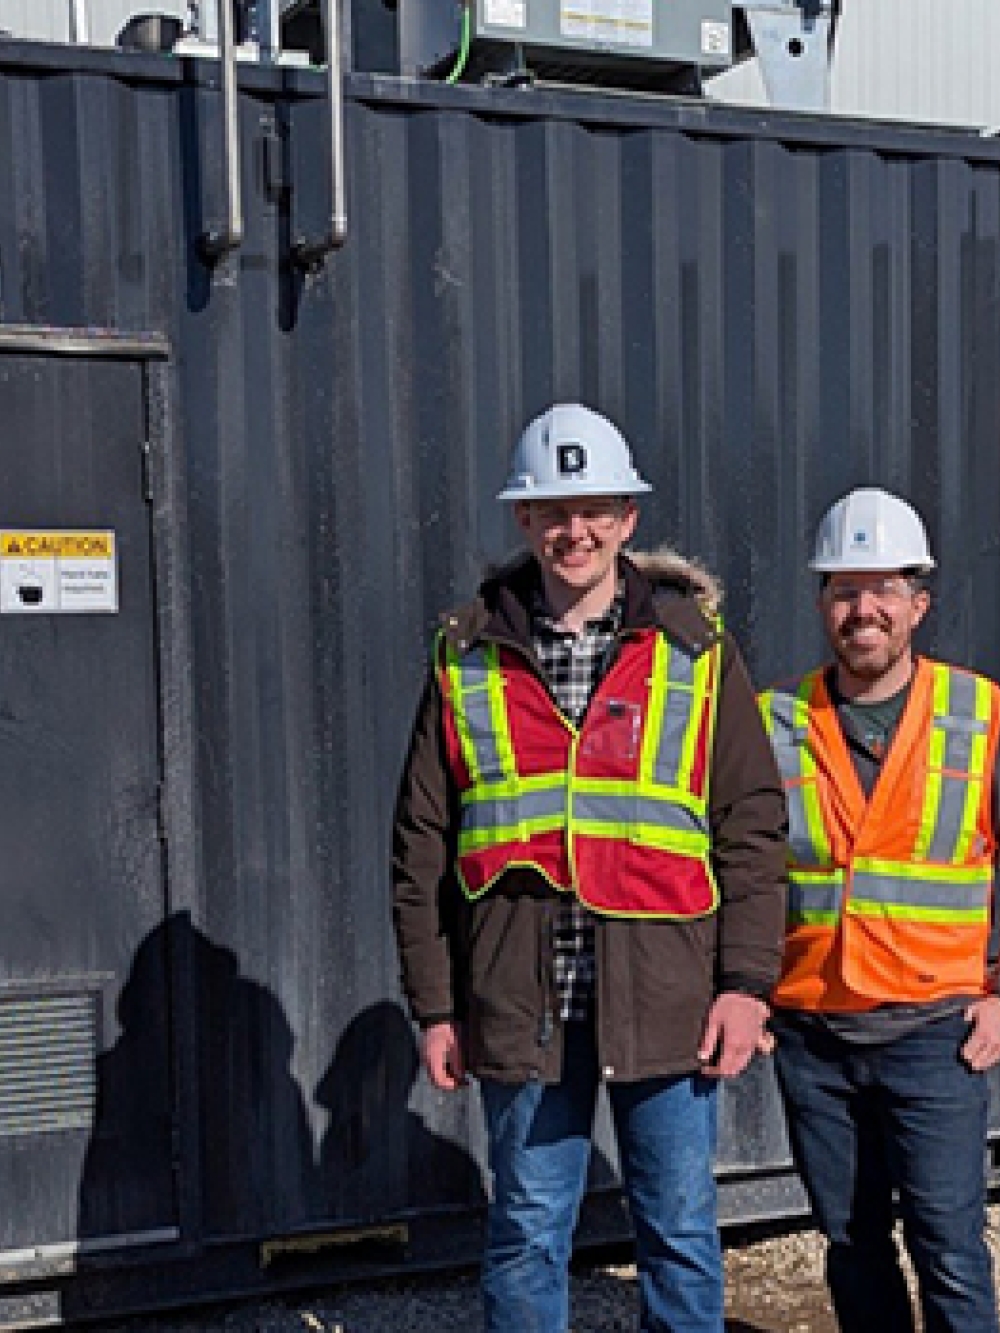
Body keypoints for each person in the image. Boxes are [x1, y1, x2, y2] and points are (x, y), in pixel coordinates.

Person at [392, 402, 788, 1333]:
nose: (576, 531)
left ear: (628, 519)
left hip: (668, 993)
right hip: (520, 999)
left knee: (681, 1229)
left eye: (596, 509)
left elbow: (751, 823)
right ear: (524, 522)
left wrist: (747, 985)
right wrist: (436, 1005)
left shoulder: (695, 649)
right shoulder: (464, 654)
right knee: (528, 1230)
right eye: (554, 511)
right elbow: (420, 841)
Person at [759, 487, 1000, 1333]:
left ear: (918, 604)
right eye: (844, 589)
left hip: (936, 1033)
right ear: (823, 603)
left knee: (948, 1241)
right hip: (814, 1033)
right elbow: (743, 872)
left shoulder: (980, 714)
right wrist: (745, 989)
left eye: (884, 589)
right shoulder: (774, 721)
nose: (864, 609)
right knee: (850, 1238)